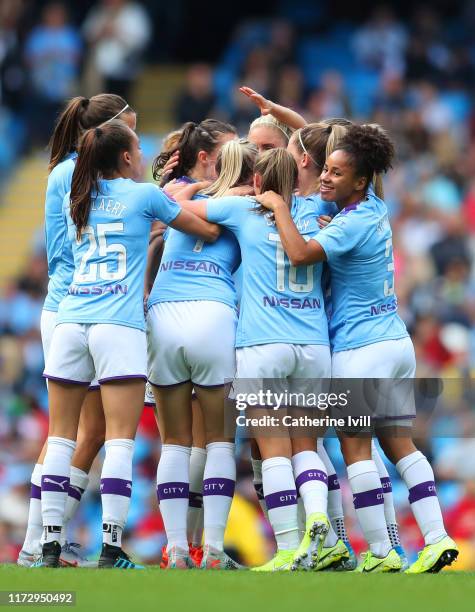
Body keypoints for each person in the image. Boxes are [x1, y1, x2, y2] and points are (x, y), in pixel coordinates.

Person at [255, 124, 458, 573]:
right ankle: (436, 538)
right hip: (394, 342)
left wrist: (277, 206)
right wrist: (288, 121)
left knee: (355, 452)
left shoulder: (348, 224)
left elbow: (301, 254)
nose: (324, 178)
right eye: (323, 169)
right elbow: (342, 149)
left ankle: (382, 554)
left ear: (360, 180)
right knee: (401, 445)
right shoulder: (375, 208)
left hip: (359, 346)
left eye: (336, 173)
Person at [36, 120, 219, 569]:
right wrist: (190, 193)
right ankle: (112, 548)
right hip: (117, 323)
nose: (142, 155)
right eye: (138, 148)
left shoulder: (75, 196)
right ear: (125, 157)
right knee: (119, 439)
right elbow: (205, 231)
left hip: (71, 319)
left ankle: (48, 544)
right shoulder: (144, 196)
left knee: (60, 437)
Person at [174, 148, 333, 571]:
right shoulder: (319, 209)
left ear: (259, 182)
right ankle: (318, 517)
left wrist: (203, 186)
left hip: (263, 345)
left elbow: (177, 207)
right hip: (315, 345)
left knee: (274, 452)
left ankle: (286, 549)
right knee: (307, 448)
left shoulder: (243, 208)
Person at [18, 94, 137, 569]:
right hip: (79, 306)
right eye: (129, 128)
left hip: (69, 306)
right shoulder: (81, 173)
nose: (133, 137)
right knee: (78, 431)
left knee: (84, 430)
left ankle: (47, 540)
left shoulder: (66, 169)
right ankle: (38, 542)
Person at [147, 139, 256, 570]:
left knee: (174, 442)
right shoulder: (252, 205)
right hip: (213, 312)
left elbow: (165, 201)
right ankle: (212, 548)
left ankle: (175, 549)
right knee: (218, 442)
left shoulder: (177, 196)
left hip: (164, 311)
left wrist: (196, 187)